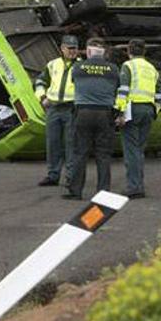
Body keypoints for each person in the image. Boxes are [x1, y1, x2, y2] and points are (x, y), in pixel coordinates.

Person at [64, 38, 119, 200]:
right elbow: (117, 87)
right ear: (104, 52)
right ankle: (103, 193)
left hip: (83, 111)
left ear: (88, 51)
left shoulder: (78, 67)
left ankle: (75, 191)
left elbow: (74, 82)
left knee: (80, 152)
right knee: (103, 154)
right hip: (105, 113)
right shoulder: (113, 69)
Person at [115, 39, 161, 199]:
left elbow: (123, 90)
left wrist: (120, 112)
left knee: (131, 150)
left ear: (129, 51)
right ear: (144, 52)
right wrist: (155, 109)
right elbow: (159, 92)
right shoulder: (152, 68)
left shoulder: (128, 66)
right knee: (139, 149)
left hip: (132, 110)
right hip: (148, 110)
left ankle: (134, 187)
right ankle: (138, 185)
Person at [34, 35, 79, 187]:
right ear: (62, 48)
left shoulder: (81, 66)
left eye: (75, 48)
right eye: (70, 48)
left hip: (71, 109)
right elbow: (40, 81)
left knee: (71, 144)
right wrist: (42, 97)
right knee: (53, 143)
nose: (73, 51)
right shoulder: (53, 64)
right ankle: (53, 175)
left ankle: (71, 177)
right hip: (53, 108)